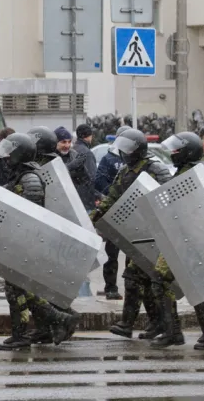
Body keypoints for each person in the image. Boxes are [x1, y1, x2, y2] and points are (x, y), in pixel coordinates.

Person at [0, 133, 79, 350]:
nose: (5, 159)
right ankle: (33, 328)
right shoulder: (22, 175)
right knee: (17, 290)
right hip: (20, 242)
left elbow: (30, 215)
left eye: (10, 155)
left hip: (26, 243)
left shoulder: (29, 178)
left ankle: (55, 320)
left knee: (18, 289)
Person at [91, 129, 172, 342]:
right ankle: (156, 323)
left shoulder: (155, 169)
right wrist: (96, 215)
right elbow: (113, 196)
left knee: (136, 278)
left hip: (155, 235)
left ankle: (130, 324)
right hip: (134, 233)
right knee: (141, 281)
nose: (125, 153)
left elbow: (169, 197)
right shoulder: (125, 171)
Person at [149, 131, 203, 349]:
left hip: (194, 238)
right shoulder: (183, 172)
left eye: (176, 150)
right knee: (161, 280)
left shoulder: (195, 174)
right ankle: (172, 331)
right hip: (181, 238)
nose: (172, 153)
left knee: (196, 284)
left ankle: (173, 331)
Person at [94, 126, 132, 300]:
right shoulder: (109, 159)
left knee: (134, 254)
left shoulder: (139, 161)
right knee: (112, 253)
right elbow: (99, 181)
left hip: (134, 212)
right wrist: (114, 194)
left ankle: (133, 288)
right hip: (114, 210)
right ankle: (111, 287)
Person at [72, 124, 99, 210]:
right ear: (89, 136)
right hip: (86, 199)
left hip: (73, 196)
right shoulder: (87, 153)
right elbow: (93, 177)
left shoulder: (72, 150)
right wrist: (97, 195)